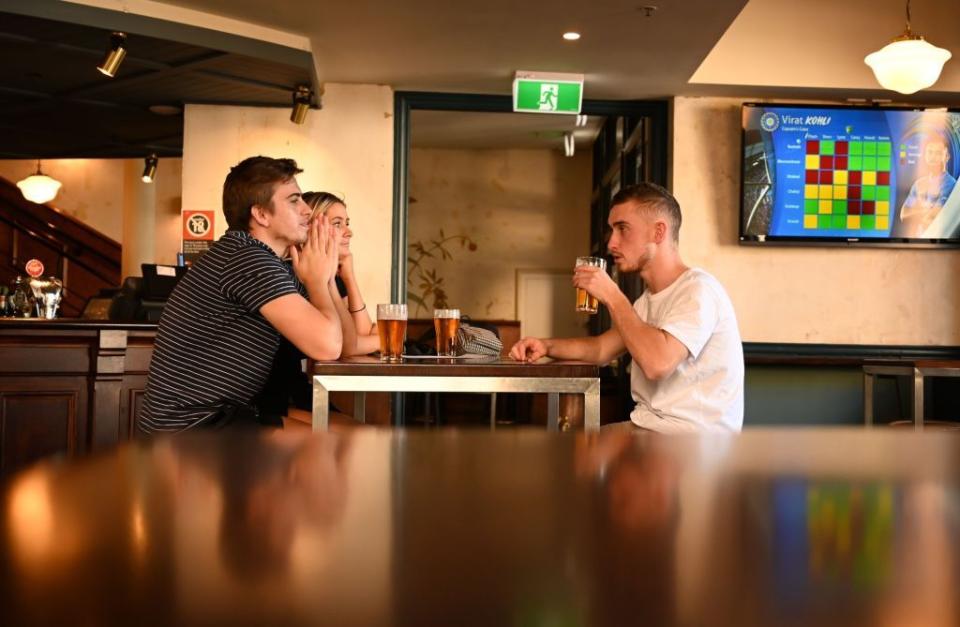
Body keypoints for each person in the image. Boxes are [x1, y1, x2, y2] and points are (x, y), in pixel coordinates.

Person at [509, 183, 744, 433]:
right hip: (651, 428)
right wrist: (546, 346)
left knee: (574, 456)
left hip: (693, 441)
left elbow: (657, 364)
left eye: (623, 229)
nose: (611, 243)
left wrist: (612, 295)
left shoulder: (698, 290)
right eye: (612, 230)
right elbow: (601, 349)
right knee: (572, 451)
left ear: (658, 232)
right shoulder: (646, 302)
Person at [138, 156, 344, 435]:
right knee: (336, 444)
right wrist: (320, 280)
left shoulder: (261, 258)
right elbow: (327, 347)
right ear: (261, 214)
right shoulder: (246, 259)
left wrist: (328, 273)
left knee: (347, 434)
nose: (307, 210)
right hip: (192, 425)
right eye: (294, 200)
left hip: (223, 413)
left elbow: (345, 345)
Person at [303, 191, 380, 356]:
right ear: (311, 228)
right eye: (337, 224)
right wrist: (384, 340)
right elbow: (348, 346)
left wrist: (349, 277)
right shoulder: (300, 274)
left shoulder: (335, 275)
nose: (349, 232)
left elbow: (362, 332)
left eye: (346, 223)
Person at [897, 135, 957, 237]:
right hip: (918, 241)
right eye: (930, 152)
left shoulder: (951, 184)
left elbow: (933, 218)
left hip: (940, 243)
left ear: (947, 156)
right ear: (925, 155)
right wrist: (927, 209)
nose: (933, 157)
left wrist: (918, 210)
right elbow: (904, 215)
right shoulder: (919, 184)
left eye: (938, 153)